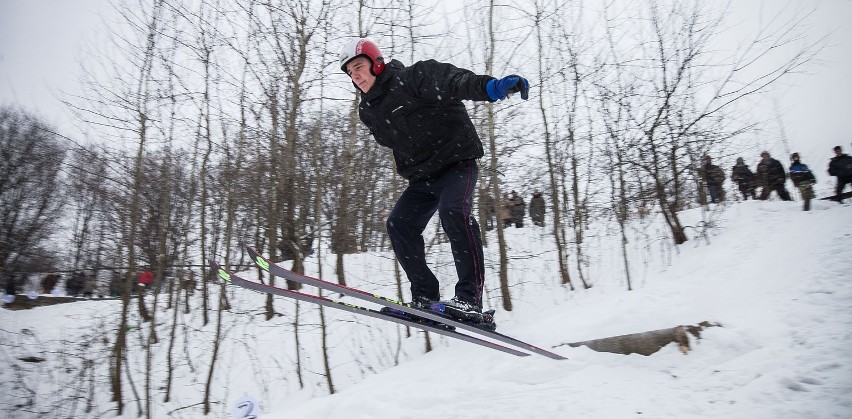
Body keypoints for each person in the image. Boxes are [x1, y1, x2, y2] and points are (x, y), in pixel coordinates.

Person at [340, 38, 529, 323]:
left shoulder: (415, 78)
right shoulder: (368, 112)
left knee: (453, 211)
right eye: (350, 73)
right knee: (399, 224)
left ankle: (469, 299)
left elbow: (456, 81)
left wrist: (491, 88)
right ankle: (425, 296)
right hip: (422, 179)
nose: (355, 75)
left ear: (377, 64)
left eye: (359, 67)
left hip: (457, 164)